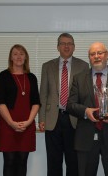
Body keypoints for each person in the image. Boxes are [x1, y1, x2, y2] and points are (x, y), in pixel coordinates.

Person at [67, 42, 108, 176]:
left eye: (100, 53)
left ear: (107, 55)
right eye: (92, 54)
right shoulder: (79, 78)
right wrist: (86, 111)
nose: (96, 56)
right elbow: (70, 105)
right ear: (89, 57)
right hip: (86, 138)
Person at [38, 33, 89, 176]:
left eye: (69, 43)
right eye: (63, 43)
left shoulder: (83, 66)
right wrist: (41, 119)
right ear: (58, 47)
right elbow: (43, 94)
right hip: (52, 118)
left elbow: (85, 96)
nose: (66, 46)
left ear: (74, 47)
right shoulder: (47, 66)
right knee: (53, 161)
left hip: (74, 119)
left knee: (73, 161)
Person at [0, 44, 41, 176]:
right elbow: (0, 102)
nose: (18, 56)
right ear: (10, 57)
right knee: (9, 161)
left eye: (21, 53)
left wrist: (28, 122)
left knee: (22, 160)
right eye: (15, 54)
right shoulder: (3, 76)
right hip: (7, 125)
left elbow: (36, 102)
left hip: (27, 124)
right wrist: (11, 123)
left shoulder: (31, 77)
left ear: (26, 57)